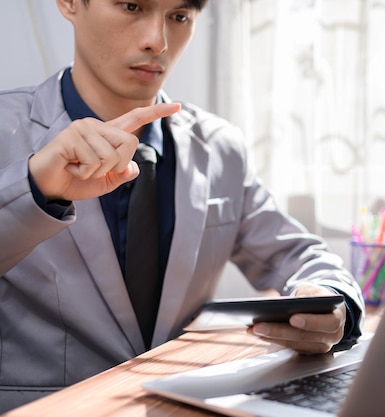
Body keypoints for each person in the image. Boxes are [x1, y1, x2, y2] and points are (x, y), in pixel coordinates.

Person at [0, 0, 364, 411]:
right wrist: (34, 188)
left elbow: (300, 254)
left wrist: (334, 302)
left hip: (179, 407)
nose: (158, 41)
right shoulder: (4, 128)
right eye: (132, 5)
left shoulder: (220, 148)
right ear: (69, 3)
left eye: (180, 16)